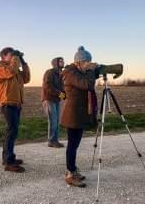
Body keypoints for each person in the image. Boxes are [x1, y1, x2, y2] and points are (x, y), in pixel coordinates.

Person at [60, 46, 98, 187]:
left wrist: (94, 70)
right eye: (87, 62)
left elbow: (88, 81)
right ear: (79, 62)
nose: (88, 64)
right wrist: (90, 70)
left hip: (78, 114)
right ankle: (70, 173)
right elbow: (88, 84)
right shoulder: (70, 73)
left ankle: (73, 170)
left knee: (75, 145)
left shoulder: (77, 72)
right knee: (72, 145)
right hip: (72, 115)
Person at [0, 47, 31, 173]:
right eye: (11, 55)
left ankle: (10, 157)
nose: (14, 57)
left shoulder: (15, 68)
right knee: (11, 131)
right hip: (7, 103)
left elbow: (26, 78)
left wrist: (23, 61)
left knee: (13, 131)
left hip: (16, 104)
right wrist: (16, 58)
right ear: (3, 56)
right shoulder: (1, 68)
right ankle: (8, 161)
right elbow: (10, 71)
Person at [41, 57, 66, 148]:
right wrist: (60, 94)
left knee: (57, 121)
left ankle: (55, 140)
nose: (62, 62)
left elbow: (62, 88)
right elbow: (47, 86)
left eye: (62, 60)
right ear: (55, 63)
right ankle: (51, 141)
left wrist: (65, 95)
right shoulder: (50, 72)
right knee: (53, 120)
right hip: (48, 99)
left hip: (56, 100)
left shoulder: (61, 74)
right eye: (60, 61)